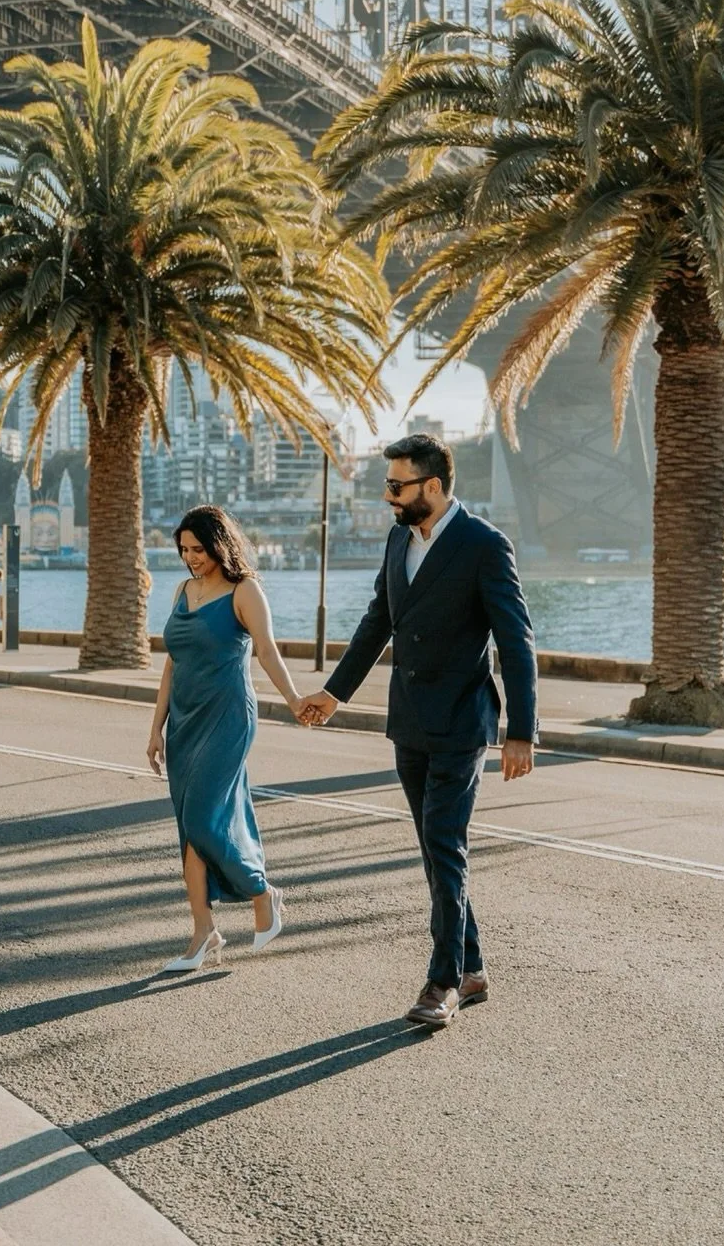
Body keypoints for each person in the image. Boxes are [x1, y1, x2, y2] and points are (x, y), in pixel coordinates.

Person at [299, 433, 537, 1030]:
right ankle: (473, 965)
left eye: (397, 485)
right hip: (407, 719)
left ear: (432, 486)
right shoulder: (397, 538)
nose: (388, 496)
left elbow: (516, 639)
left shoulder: (484, 545)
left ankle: (443, 982)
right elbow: (378, 620)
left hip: (461, 720)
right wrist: (334, 693)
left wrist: (521, 729)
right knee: (436, 852)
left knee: (444, 846)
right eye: (388, 485)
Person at [148, 505, 306, 973]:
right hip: (184, 721)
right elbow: (172, 663)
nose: (191, 558)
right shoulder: (182, 590)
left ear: (220, 545)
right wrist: (155, 726)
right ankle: (203, 931)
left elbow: (267, 651)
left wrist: (296, 700)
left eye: (199, 549)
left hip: (228, 717)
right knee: (189, 827)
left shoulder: (244, 590)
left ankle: (262, 893)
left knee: (202, 819)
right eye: (184, 550)